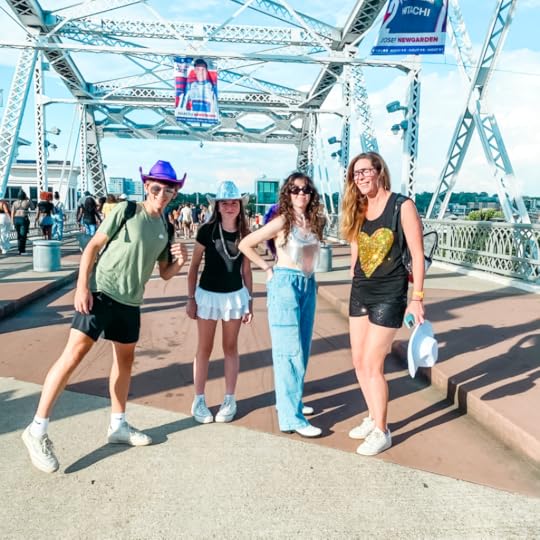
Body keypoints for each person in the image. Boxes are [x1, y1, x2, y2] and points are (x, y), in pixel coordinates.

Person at [21, 160, 188, 473]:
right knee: (72, 357)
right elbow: (93, 247)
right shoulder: (126, 210)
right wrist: (82, 285)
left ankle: (118, 425)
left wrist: (179, 262)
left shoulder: (166, 227)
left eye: (169, 189)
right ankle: (37, 429)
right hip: (101, 293)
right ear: (146, 186)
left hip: (130, 302)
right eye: (156, 187)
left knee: (124, 363)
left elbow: (165, 274)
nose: (162, 194)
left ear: (175, 193)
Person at [341, 152, 425, 456]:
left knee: (374, 365)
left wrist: (417, 299)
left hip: (390, 294)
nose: (360, 177)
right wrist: (353, 276)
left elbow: (417, 254)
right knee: (358, 362)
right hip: (361, 291)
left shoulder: (402, 206)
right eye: (355, 174)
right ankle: (373, 416)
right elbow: (355, 247)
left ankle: (382, 431)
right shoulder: (359, 207)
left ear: (379, 171)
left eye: (365, 171)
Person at [239, 172, 326, 438]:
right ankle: (291, 418)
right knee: (289, 353)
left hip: (307, 284)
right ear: (287, 193)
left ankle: (292, 402)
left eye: (306, 190)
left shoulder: (314, 221)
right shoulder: (282, 221)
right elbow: (245, 243)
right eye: (295, 189)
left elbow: (311, 257)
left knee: (303, 347)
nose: (301, 194)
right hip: (285, 283)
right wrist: (267, 266)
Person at [186, 181, 253, 424]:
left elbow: (246, 270)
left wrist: (250, 302)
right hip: (207, 296)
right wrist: (191, 298)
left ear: (239, 206)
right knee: (203, 348)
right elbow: (193, 267)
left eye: (233, 202)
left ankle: (229, 398)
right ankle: (199, 398)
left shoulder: (246, 234)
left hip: (235, 297)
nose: (229, 206)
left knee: (230, 348)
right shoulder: (206, 231)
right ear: (217, 205)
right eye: (224, 202)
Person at [11, 190, 34, 255]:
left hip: (16, 219)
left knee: (19, 235)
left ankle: (19, 250)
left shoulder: (15, 203)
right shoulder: (26, 202)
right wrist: (29, 199)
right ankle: (22, 251)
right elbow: (33, 207)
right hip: (23, 219)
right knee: (23, 236)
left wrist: (12, 221)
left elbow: (12, 212)